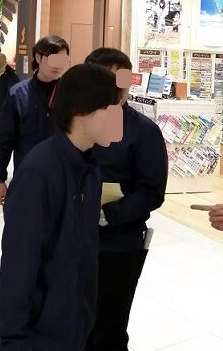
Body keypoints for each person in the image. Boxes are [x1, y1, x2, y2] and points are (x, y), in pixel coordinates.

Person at [0, 63, 122, 350]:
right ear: (80, 110)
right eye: (109, 110)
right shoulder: (39, 173)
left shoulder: (90, 168)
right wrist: (14, 340)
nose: (118, 120)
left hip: (74, 325)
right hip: (40, 335)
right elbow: (18, 264)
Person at [85, 47, 168, 351]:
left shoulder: (144, 132)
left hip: (119, 244)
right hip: (72, 237)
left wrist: (108, 214)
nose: (118, 88)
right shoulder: (74, 122)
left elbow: (151, 192)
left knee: (109, 326)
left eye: (123, 80)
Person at [0, 35, 70, 205]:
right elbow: (5, 139)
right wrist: (0, 179)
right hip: (28, 175)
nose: (58, 65)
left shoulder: (70, 94)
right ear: (38, 57)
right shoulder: (18, 94)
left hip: (64, 179)